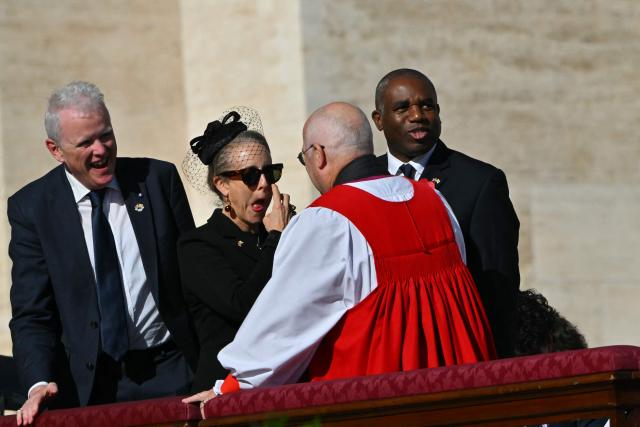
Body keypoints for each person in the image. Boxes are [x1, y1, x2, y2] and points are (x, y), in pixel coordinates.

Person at [184, 102, 495, 405]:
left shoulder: (328, 220)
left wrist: (232, 387)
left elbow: (287, 326)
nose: (265, 185)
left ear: (318, 155)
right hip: (459, 389)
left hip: (381, 398)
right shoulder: (434, 198)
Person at [8, 81, 198, 425]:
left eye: (106, 135)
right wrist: (37, 383)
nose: (101, 150)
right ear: (55, 149)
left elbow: (197, 283)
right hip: (91, 385)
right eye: (85, 143)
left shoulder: (157, 181)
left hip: (172, 372)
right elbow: (32, 314)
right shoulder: (33, 208)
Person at [372, 68, 520, 358]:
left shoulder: (479, 182)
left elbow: (499, 287)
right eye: (402, 108)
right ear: (379, 119)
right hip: (382, 354)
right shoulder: (361, 183)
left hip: (456, 353)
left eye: (427, 105)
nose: (417, 115)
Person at [178, 109, 294, 391]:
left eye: (270, 172)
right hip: (224, 391)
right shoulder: (198, 245)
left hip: (282, 384)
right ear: (223, 185)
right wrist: (277, 237)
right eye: (251, 176)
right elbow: (244, 306)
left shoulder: (279, 233)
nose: (265, 185)